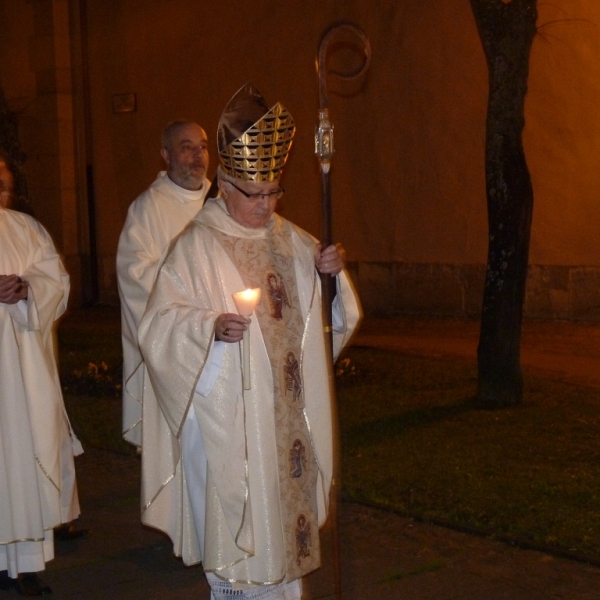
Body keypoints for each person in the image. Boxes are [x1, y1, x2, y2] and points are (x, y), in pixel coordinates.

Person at [138, 83, 361, 600]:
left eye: (274, 192)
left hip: (286, 423)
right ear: (225, 187)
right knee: (245, 541)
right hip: (230, 421)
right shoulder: (195, 246)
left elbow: (329, 326)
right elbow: (160, 325)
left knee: (287, 542)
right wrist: (209, 330)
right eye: (255, 195)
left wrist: (330, 279)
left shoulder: (295, 239)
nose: (267, 204)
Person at [0, 152, 82, 596]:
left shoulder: (26, 228)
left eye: (5, 181)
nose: (2, 189)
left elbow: (58, 280)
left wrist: (29, 288)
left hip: (26, 374)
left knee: (25, 460)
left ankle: (26, 566)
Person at [116, 121, 210, 447]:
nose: (198, 155)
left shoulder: (221, 203)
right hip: (173, 343)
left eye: (203, 146)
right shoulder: (148, 208)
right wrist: (191, 295)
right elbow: (134, 274)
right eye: (187, 147)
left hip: (218, 341)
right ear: (165, 155)